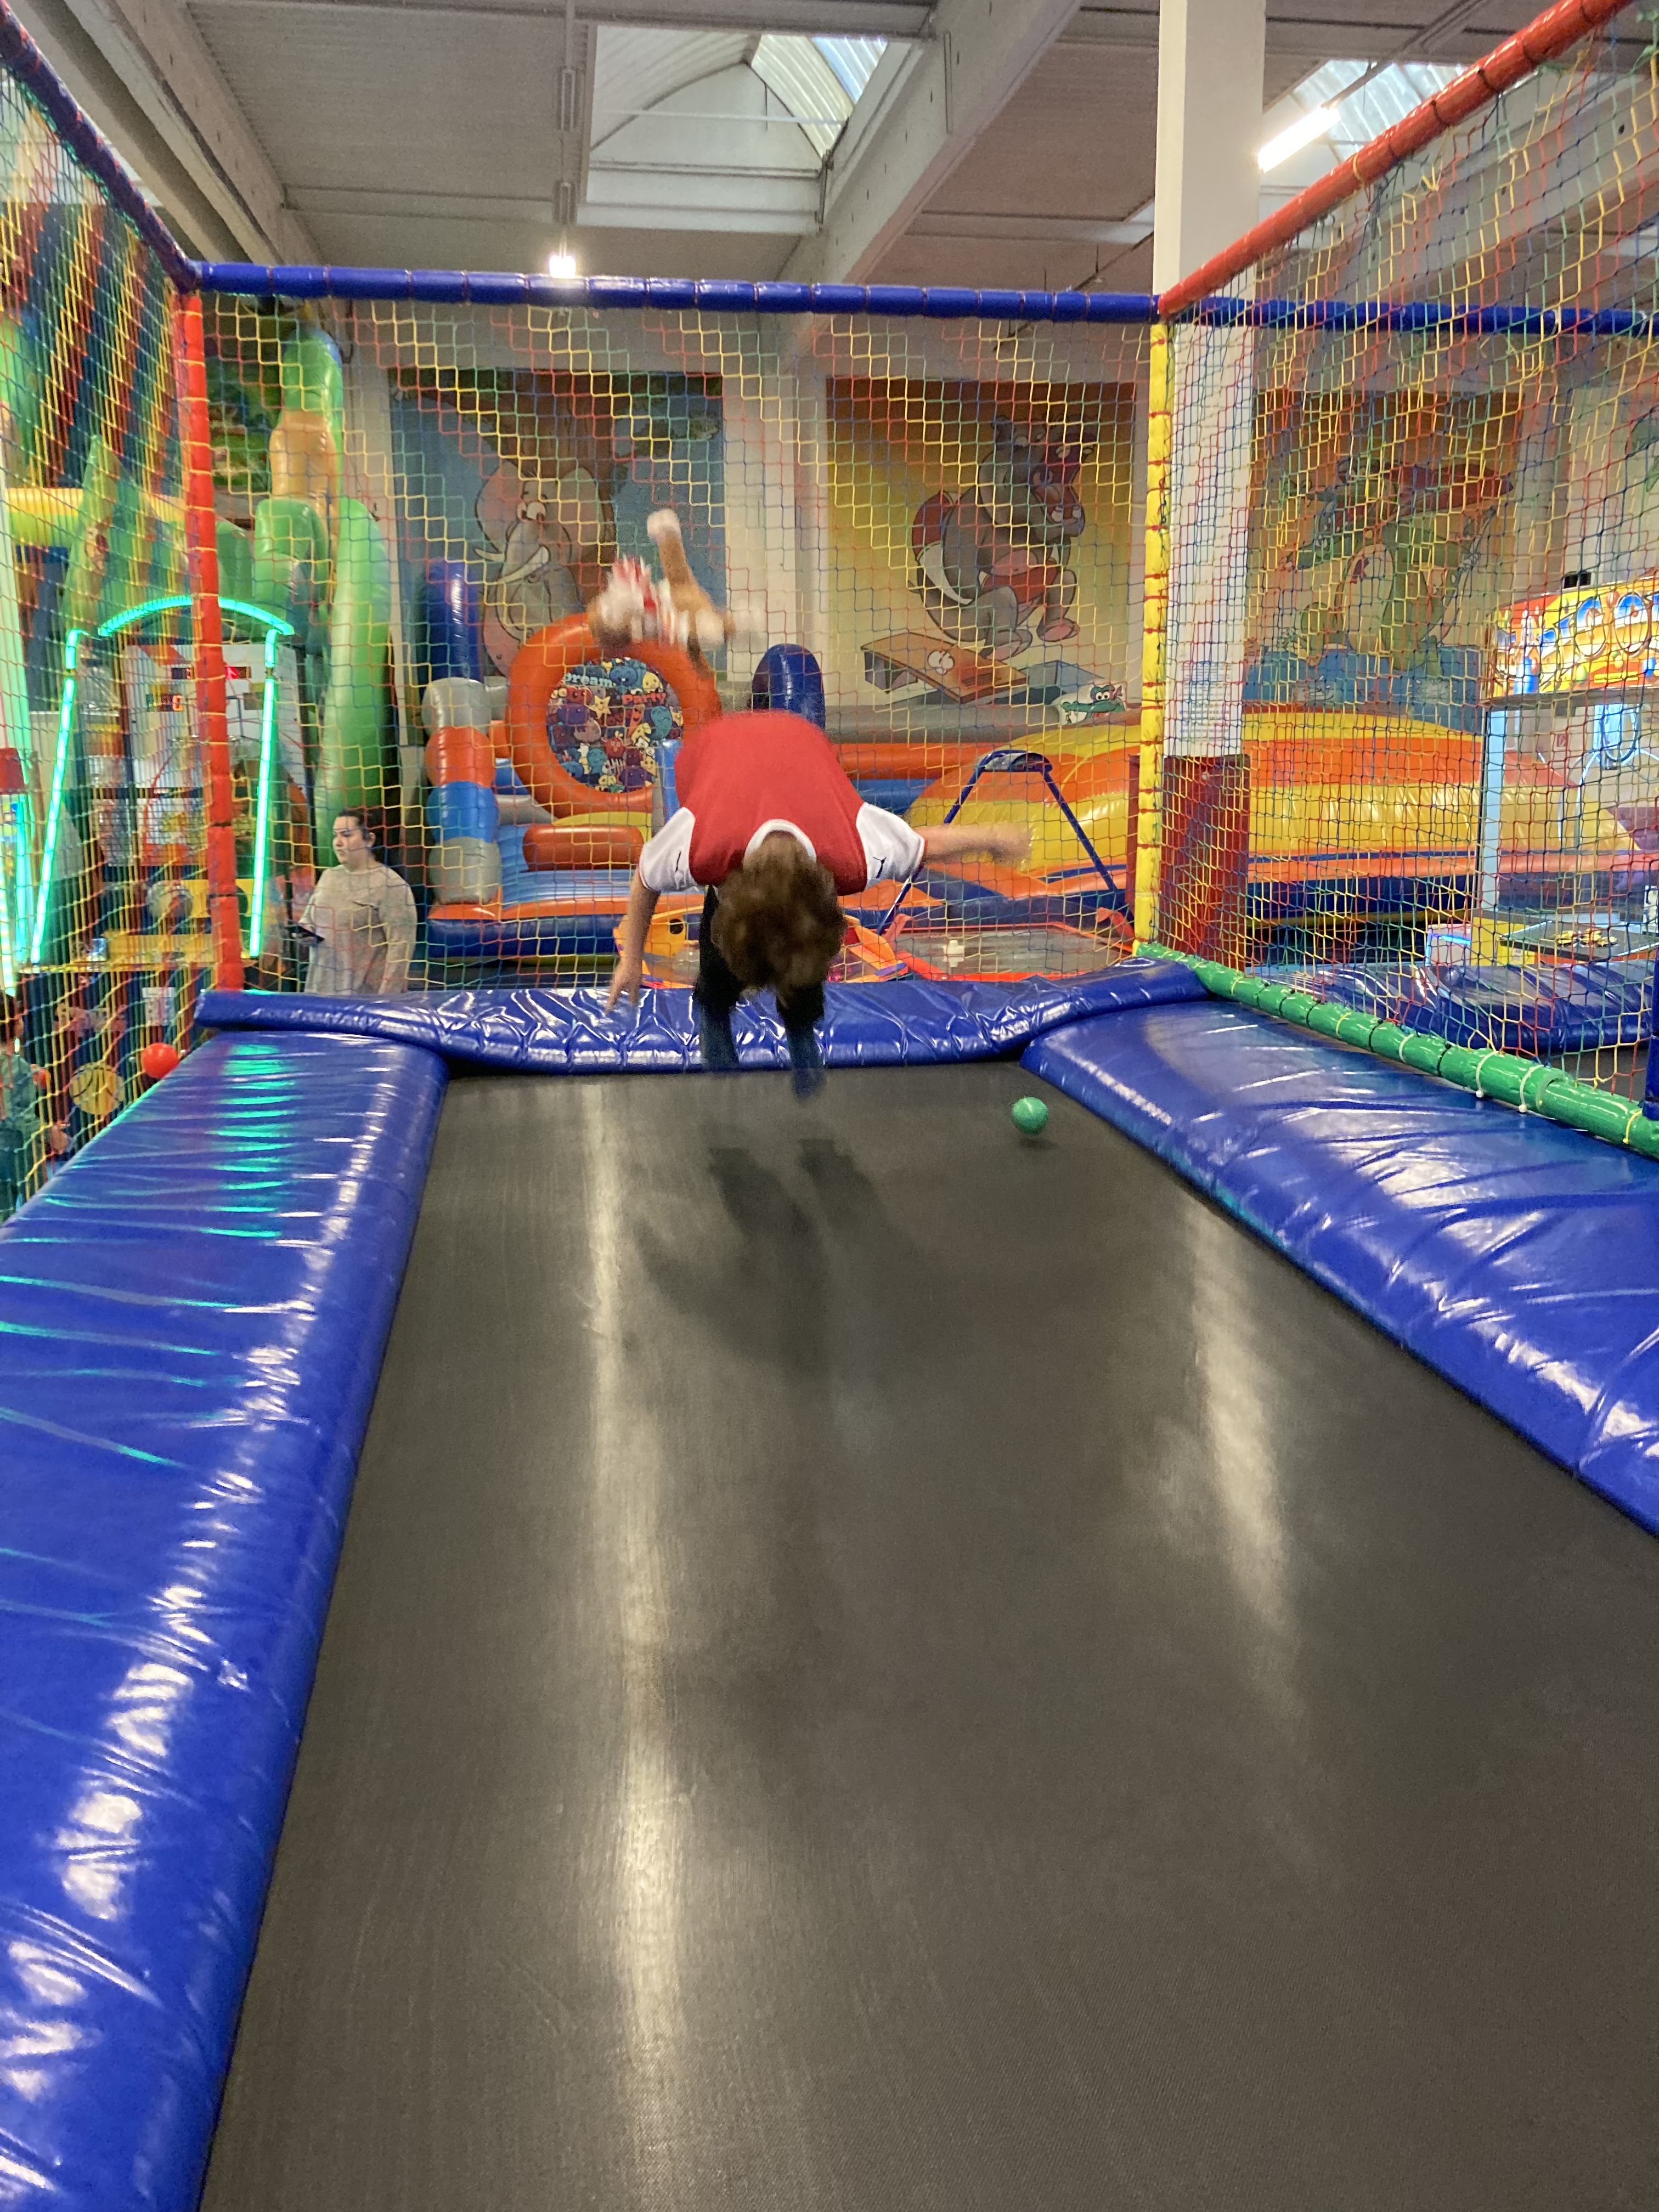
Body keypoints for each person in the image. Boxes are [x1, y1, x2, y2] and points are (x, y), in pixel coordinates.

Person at [605, 707, 1029, 1094]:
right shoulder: (700, 843)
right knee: (721, 966)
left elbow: (923, 845)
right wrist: (631, 959)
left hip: (799, 744)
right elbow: (646, 876)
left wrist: (993, 838)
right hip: (715, 749)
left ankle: (800, 1023)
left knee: (797, 960)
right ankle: (714, 1011)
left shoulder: (854, 848)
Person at [298, 812, 417, 996]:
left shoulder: (391, 885)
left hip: (363, 998)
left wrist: (387, 999)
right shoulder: (329, 876)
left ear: (370, 840)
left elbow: (401, 948)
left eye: (346, 835)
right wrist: (306, 933)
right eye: (336, 835)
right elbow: (310, 920)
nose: (338, 842)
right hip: (319, 991)